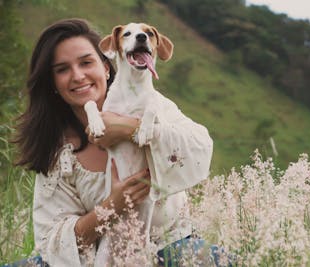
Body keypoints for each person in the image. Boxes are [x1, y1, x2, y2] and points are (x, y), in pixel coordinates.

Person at [13, 18, 214, 266]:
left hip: (167, 249)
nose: (77, 76)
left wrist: (128, 129)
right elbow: (52, 241)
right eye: (62, 69)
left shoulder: (155, 106)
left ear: (107, 67)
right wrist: (112, 206)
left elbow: (200, 147)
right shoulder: (58, 154)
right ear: (53, 83)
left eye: (86, 62)